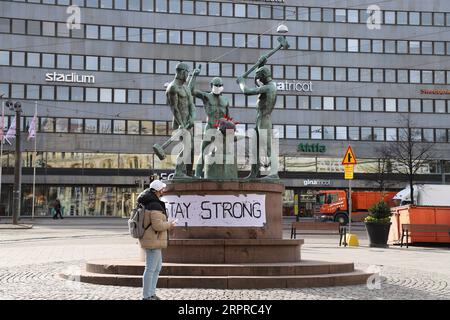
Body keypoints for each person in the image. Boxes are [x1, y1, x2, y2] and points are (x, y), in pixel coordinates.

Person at [237, 64, 279, 180]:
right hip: (259, 120)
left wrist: (241, 82)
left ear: (264, 77)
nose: (258, 80)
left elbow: (247, 91)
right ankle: (254, 173)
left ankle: (274, 173)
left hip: (264, 119)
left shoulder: (269, 87)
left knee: (268, 148)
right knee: (254, 148)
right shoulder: (268, 85)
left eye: (260, 77)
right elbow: (257, 83)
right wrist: (259, 66)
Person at [137, 180, 176, 300]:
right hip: (153, 240)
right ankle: (147, 296)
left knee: (156, 268)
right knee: (150, 269)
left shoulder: (149, 202)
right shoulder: (154, 205)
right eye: (162, 189)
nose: (163, 191)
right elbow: (158, 226)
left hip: (153, 239)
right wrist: (170, 224)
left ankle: (151, 293)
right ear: (158, 191)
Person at [188, 71, 230, 178]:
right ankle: (197, 175)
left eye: (220, 85)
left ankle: (220, 175)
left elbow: (228, 118)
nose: (218, 87)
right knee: (204, 152)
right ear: (211, 85)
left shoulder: (226, 100)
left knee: (222, 154)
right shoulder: (206, 96)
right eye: (216, 85)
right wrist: (194, 76)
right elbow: (190, 90)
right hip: (210, 127)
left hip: (221, 130)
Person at [165, 62, 197, 179]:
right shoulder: (172, 88)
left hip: (189, 123)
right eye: (187, 73)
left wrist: (192, 118)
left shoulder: (186, 88)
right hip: (180, 124)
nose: (187, 76)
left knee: (191, 148)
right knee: (187, 146)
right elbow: (175, 109)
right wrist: (182, 125)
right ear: (181, 72)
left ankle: (189, 173)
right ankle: (179, 171)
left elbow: (191, 105)